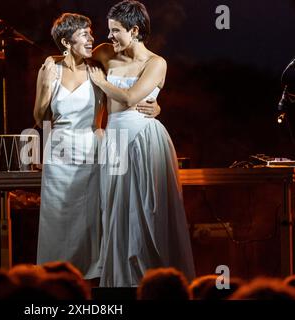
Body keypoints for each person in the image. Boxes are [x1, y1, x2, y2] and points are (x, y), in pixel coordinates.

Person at [35, 12, 161, 282]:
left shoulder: (98, 67)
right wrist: (46, 88)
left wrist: (156, 105)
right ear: (67, 42)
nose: (93, 38)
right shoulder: (50, 69)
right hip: (59, 154)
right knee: (58, 219)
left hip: (94, 150)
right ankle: (53, 279)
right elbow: (39, 117)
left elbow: (126, 92)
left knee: (93, 221)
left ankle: (93, 280)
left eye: (91, 32)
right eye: (84, 34)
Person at [87, 0, 196, 287]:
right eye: (109, 30)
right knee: (116, 212)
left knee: (149, 212)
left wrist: (102, 83)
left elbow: (131, 98)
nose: (109, 36)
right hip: (115, 140)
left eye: (116, 31)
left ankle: (156, 284)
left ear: (134, 30)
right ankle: (123, 283)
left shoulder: (156, 62)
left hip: (145, 140)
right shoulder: (106, 53)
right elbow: (78, 64)